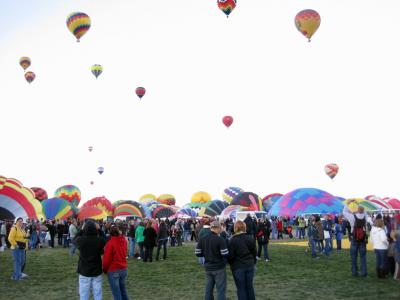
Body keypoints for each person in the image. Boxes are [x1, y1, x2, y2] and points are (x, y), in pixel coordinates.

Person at [195, 221, 229, 300]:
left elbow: (197, 253)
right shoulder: (220, 239)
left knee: (208, 289)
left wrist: (206, 254)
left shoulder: (203, 239)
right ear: (217, 228)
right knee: (220, 290)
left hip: (208, 267)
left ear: (211, 228)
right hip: (219, 267)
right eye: (220, 228)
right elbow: (225, 254)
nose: (221, 229)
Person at [75, 220, 106, 300]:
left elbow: (74, 239)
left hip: (84, 271)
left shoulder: (81, 240)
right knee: (98, 294)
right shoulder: (99, 240)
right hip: (96, 270)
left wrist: (81, 230)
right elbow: (105, 239)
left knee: (84, 295)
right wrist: (99, 229)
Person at [228, 220, 257, 300]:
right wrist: (253, 262)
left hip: (239, 267)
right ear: (244, 227)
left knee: (241, 289)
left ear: (235, 228)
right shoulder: (250, 238)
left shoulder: (232, 240)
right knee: (249, 287)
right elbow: (254, 253)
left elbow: (230, 256)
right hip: (248, 265)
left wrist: (231, 263)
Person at [342, 200, 370, 277]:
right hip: (363, 239)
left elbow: (344, 212)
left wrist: (348, 204)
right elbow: (364, 211)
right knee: (363, 257)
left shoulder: (352, 217)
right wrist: (358, 204)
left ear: (357, 210)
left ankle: (354, 272)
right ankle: (364, 273)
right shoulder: (365, 217)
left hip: (354, 238)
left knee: (353, 257)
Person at [103, 225, 129, 300]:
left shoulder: (110, 243)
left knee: (117, 294)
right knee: (123, 291)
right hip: (123, 269)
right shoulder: (123, 241)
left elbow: (106, 259)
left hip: (114, 270)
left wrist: (105, 269)